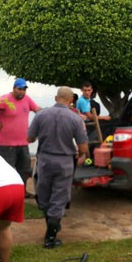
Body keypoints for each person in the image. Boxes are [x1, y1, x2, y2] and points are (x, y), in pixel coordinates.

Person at [27, 86, 89, 248]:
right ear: (71, 101)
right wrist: (82, 155)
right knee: (59, 198)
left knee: (45, 195)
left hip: (45, 161)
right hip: (65, 162)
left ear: (56, 98)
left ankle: (52, 227)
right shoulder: (76, 119)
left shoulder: (41, 115)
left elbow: (29, 138)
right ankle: (50, 238)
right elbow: (83, 148)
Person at [0, 78, 40, 193]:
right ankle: (6, 192)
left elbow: (37, 110)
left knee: (25, 169)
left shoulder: (27, 99)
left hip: (23, 142)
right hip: (6, 143)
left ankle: (22, 192)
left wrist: (49, 113)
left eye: (24, 89)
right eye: (19, 89)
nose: (22, 92)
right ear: (14, 88)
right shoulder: (4, 99)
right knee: (7, 169)